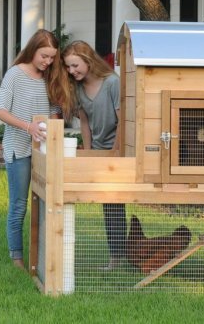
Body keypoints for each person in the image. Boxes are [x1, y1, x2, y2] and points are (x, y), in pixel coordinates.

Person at [0, 29, 75, 270]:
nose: (48, 62)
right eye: (44, 56)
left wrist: (54, 121)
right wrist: (28, 126)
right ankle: (16, 257)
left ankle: (42, 255)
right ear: (33, 50)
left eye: (51, 58)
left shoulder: (49, 76)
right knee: (19, 204)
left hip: (43, 149)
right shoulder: (14, 75)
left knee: (45, 203)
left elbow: (52, 110)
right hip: (19, 148)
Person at [61, 40, 126, 270]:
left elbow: (123, 122)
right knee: (107, 204)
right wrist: (88, 154)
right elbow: (85, 123)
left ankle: (117, 258)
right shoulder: (77, 88)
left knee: (114, 204)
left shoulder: (112, 83)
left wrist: (114, 154)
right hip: (97, 151)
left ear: (88, 60)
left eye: (75, 65)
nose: (72, 71)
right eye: (68, 67)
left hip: (117, 151)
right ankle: (116, 257)